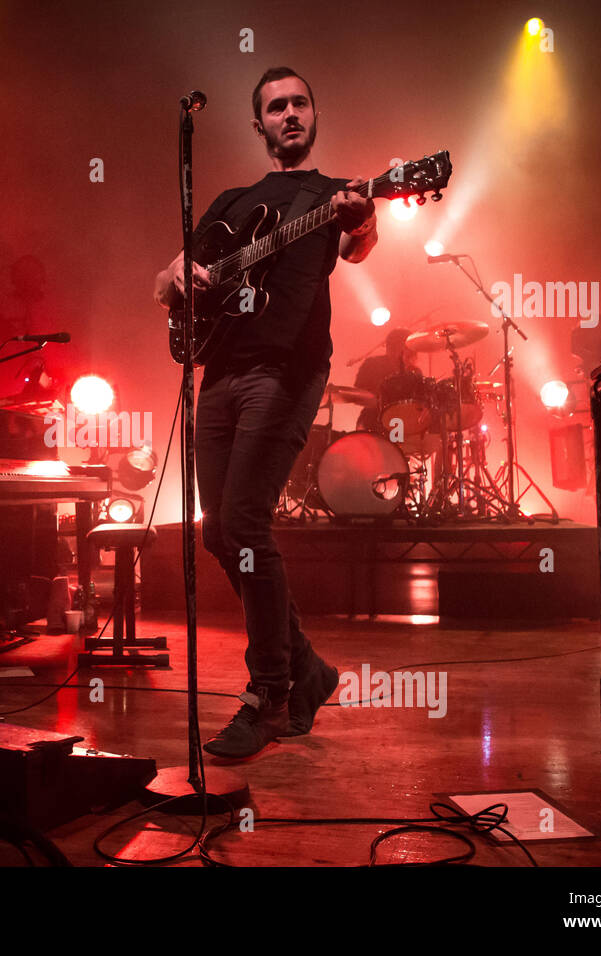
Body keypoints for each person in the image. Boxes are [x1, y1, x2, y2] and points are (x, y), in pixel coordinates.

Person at [154, 67, 379, 758]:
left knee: (246, 519)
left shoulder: (331, 196)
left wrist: (364, 216)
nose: (289, 113)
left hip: (287, 370)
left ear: (314, 114)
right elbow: (162, 283)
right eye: (276, 106)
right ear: (259, 124)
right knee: (217, 530)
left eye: (300, 103)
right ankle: (307, 669)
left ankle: (271, 694)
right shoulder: (232, 201)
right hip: (219, 372)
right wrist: (182, 277)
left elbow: (359, 243)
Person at [353, 327, 418, 430]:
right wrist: (380, 401)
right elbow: (356, 395)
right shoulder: (372, 364)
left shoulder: (415, 372)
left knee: (398, 442)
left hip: (402, 425)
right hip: (372, 421)